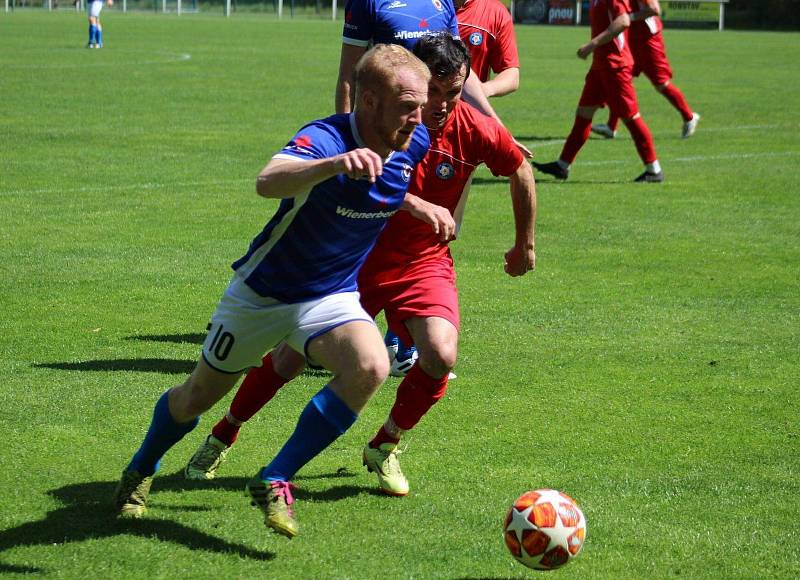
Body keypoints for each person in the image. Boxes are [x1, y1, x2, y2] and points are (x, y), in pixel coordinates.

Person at [184, 33, 537, 500]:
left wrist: (524, 245)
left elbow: (520, 169)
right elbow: (373, 179)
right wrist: (417, 205)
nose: (444, 105)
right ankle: (224, 433)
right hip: (358, 257)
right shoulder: (392, 123)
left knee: (441, 355)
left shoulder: (471, 127)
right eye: (435, 93)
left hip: (422, 262)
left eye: (455, 94)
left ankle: (385, 444)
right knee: (289, 358)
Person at [112, 44, 432, 540]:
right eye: (408, 104)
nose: (419, 116)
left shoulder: (414, 141)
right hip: (262, 293)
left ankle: (275, 476)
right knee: (195, 398)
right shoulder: (326, 137)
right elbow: (267, 181)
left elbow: (386, 181)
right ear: (368, 101)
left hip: (330, 294)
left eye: (422, 103)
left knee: (371, 365)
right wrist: (334, 165)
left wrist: (416, 205)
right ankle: (140, 469)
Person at [384, 0, 522, 375]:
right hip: (411, 123)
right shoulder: (425, 7)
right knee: (389, 217)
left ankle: (403, 337)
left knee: (439, 233)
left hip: (461, 137)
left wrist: (475, 103)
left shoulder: (493, 13)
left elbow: (511, 74)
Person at [532, 0, 664, 183]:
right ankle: (562, 165)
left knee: (631, 118)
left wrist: (592, 44)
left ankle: (654, 169)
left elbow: (623, 21)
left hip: (616, 67)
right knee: (583, 115)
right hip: (600, 67)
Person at [591, 0, 700, 140]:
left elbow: (655, 10)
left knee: (661, 83)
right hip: (632, 37)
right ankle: (611, 127)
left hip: (648, 41)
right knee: (620, 80)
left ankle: (689, 117)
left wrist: (630, 17)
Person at [455, 0, 519, 98]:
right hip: (426, 108)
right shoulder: (427, 7)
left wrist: (484, 89)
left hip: (469, 108)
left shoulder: (496, 12)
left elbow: (511, 74)